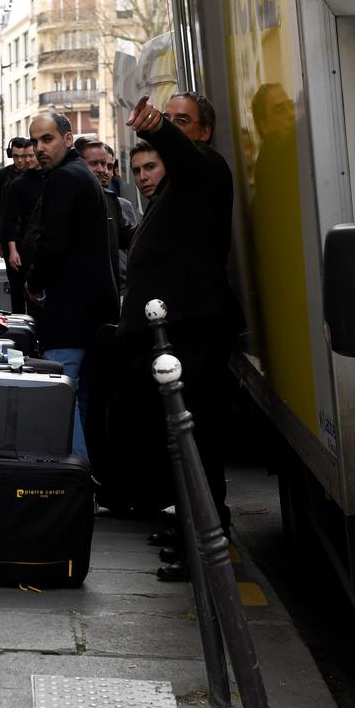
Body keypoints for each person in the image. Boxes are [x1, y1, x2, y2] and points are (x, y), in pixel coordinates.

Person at [117, 91, 243, 582]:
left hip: (194, 326)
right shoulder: (175, 184)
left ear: (203, 132)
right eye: (168, 119)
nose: (173, 127)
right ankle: (191, 527)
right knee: (179, 437)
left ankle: (206, 544)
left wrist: (154, 127)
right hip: (173, 328)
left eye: (182, 121)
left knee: (196, 438)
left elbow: (184, 158)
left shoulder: (205, 167)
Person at [25, 112, 118, 460]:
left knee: (61, 396)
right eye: (35, 141)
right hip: (95, 313)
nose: (39, 149)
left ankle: (76, 483)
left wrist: (34, 283)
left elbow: (52, 244)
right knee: (80, 400)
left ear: (67, 139)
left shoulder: (65, 178)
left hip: (72, 315)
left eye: (46, 139)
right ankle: (85, 478)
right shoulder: (79, 175)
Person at [81, 141, 137, 295]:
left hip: (112, 290)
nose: (102, 170)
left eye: (106, 165)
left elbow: (127, 238)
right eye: (94, 164)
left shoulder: (112, 201)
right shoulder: (65, 198)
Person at [0, 141, 42, 314]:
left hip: (44, 244)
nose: (26, 160)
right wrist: (12, 250)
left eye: (30, 156)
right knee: (24, 292)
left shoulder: (54, 178)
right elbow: (9, 219)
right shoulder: (18, 184)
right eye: (24, 156)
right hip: (24, 245)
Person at [0, 138, 27, 258]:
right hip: (7, 233)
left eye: (23, 156)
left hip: (29, 234)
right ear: (11, 155)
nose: (20, 160)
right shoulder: (3, 175)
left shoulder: (36, 173)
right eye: (16, 156)